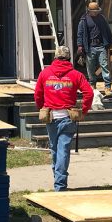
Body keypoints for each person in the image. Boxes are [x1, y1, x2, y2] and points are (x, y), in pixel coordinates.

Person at [34, 46, 94, 191]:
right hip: (68, 118)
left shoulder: (45, 73)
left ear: (55, 57)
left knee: (55, 149)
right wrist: (84, 111)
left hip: (51, 117)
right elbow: (89, 93)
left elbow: (37, 95)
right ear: (68, 58)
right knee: (63, 150)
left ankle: (58, 180)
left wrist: (42, 108)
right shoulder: (76, 75)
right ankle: (60, 185)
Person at [77, 1, 112, 95]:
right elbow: (80, 34)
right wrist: (80, 45)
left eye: (97, 11)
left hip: (101, 46)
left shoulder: (102, 18)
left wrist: (110, 42)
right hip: (90, 47)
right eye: (94, 11)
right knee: (90, 67)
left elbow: (108, 31)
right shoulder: (84, 19)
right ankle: (92, 85)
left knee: (104, 65)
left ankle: (107, 87)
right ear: (90, 11)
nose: (96, 12)